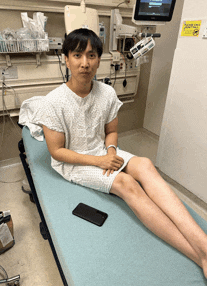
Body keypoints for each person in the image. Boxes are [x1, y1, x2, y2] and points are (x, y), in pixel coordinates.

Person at [34, 28, 207, 278]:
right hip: (74, 162)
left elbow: (111, 132)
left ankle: (203, 244)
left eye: (91, 55)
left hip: (102, 151)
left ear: (99, 59)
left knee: (146, 164)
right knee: (126, 183)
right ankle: (198, 256)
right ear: (66, 58)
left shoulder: (106, 93)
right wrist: (101, 160)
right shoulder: (53, 103)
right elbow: (57, 152)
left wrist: (111, 151)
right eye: (77, 55)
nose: (85, 63)